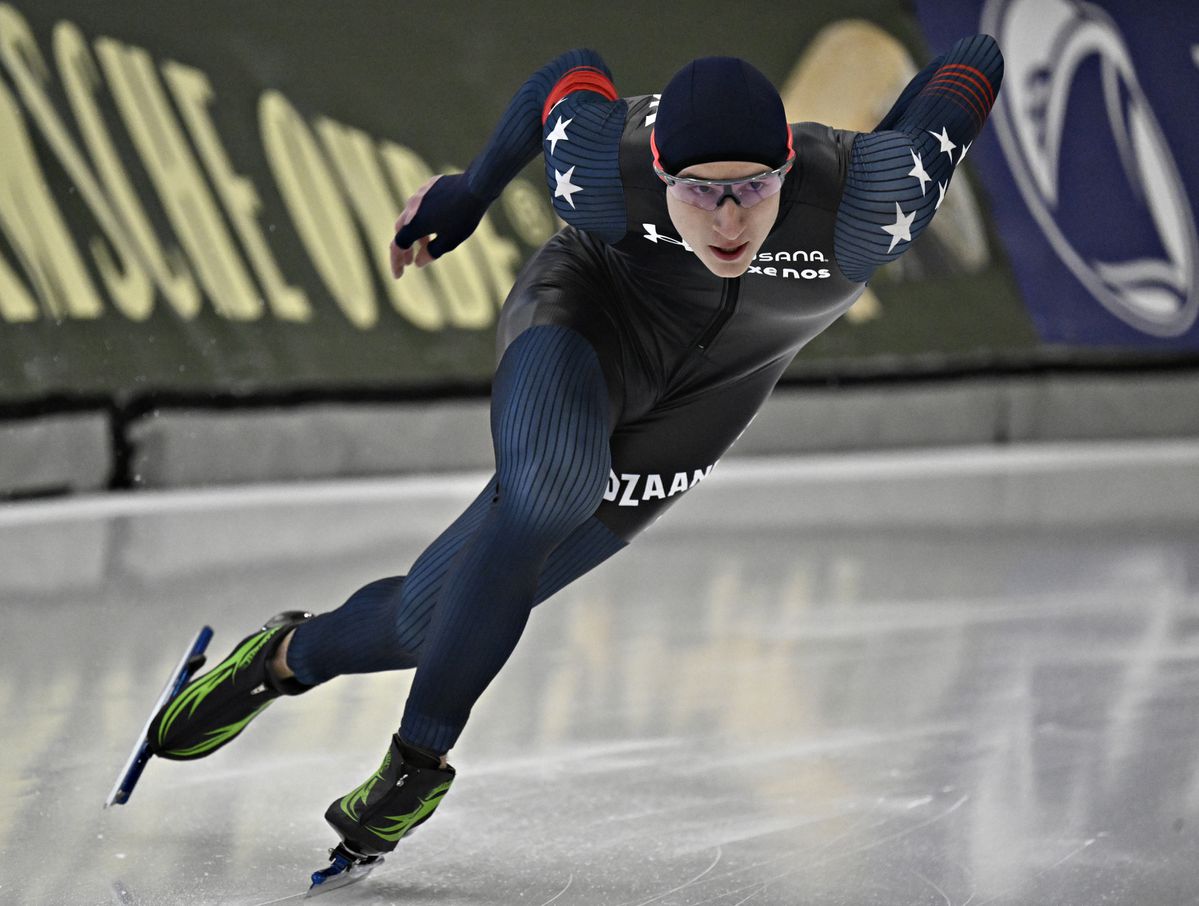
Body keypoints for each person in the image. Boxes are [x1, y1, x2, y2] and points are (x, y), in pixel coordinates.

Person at [145, 34, 1003, 876]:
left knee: (421, 623)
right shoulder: (603, 167)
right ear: (659, 175)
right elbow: (571, 71)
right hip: (587, 320)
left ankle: (281, 657)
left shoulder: (871, 200)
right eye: (698, 194)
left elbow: (973, 61)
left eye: (751, 188)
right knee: (548, 489)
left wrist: (896, 131)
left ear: (786, 168)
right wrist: (471, 192)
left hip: (706, 403)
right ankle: (416, 767)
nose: (730, 219)